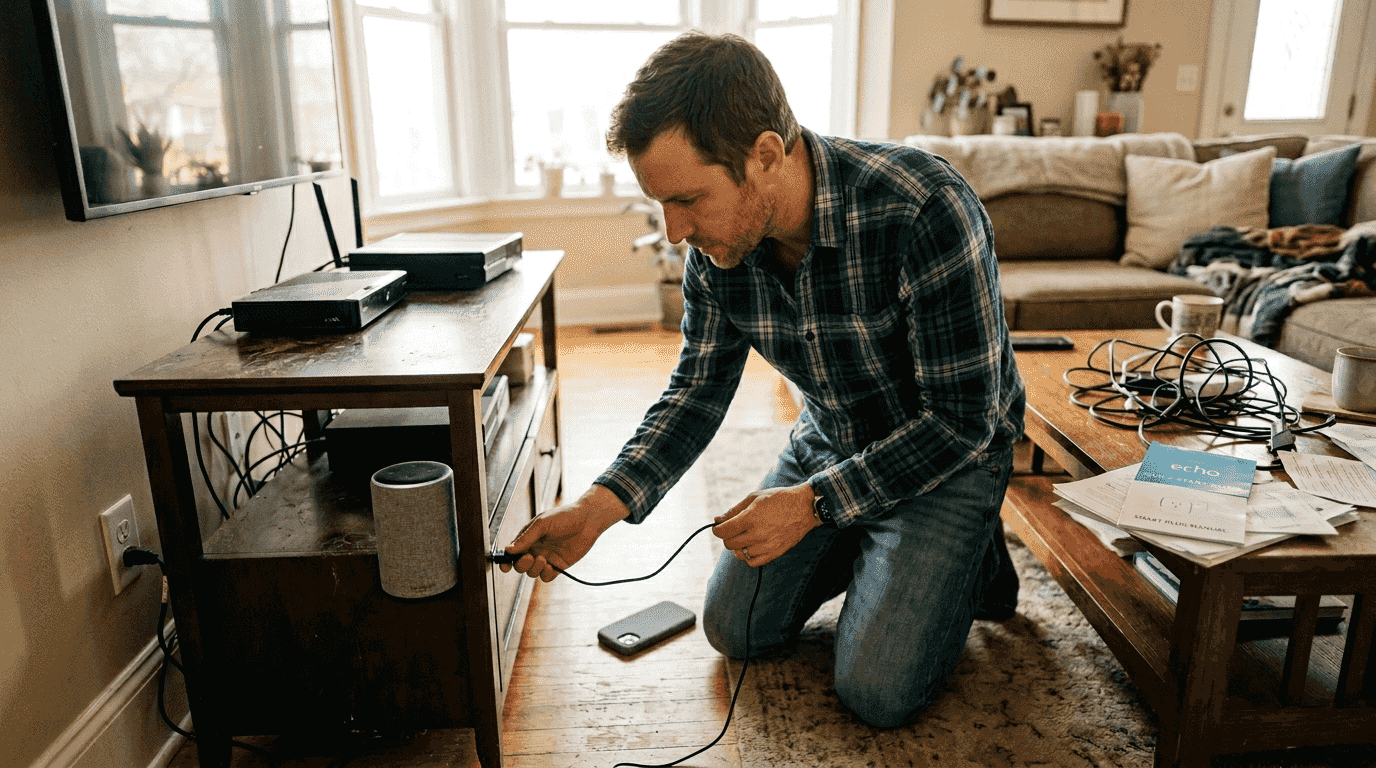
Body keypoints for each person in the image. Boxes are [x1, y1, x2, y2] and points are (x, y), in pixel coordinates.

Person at [502, 31, 1026, 728]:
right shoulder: (718, 251)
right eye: (662, 205)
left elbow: (964, 422)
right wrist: (597, 511)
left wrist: (811, 506)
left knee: (876, 692)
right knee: (734, 629)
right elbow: (694, 392)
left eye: (688, 199)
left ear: (766, 155)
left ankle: (969, 556)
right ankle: (891, 546)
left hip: (949, 458)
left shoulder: (924, 207)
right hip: (831, 440)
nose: (673, 231)